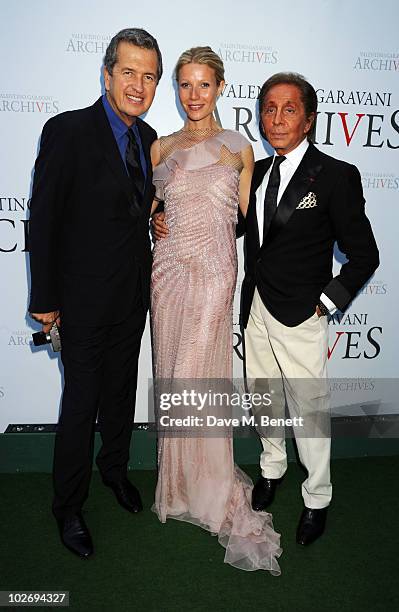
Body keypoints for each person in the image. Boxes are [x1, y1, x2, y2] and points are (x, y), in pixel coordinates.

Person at [28, 28, 162, 558]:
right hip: (80, 301)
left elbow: (138, 209)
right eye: (128, 72)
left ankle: (115, 473)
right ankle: (68, 507)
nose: (138, 84)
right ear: (106, 75)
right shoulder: (67, 130)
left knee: (119, 393)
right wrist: (44, 298)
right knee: (81, 405)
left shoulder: (151, 140)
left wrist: (161, 218)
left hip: (132, 297)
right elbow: (44, 219)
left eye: (148, 76)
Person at [150, 47, 281, 573]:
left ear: (221, 88)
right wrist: (154, 222)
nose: (193, 95)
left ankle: (210, 489)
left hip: (213, 271)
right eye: (184, 85)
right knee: (171, 372)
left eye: (204, 85)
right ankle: (178, 487)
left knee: (197, 376)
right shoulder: (160, 147)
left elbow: (252, 222)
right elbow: (155, 208)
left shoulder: (238, 148)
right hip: (167, 273)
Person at [241, 72, 379, 545]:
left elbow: (365, 255)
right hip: (256, 306)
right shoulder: (256, 172)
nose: (276, 118)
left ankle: (317, 498)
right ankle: (272, 468)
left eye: (289, 109)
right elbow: (244, 233)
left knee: (310, 412)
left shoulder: (336, 175)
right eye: (269, 108)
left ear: (309, 119)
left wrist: (325, 303)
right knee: (263, 397)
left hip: (302, 314)